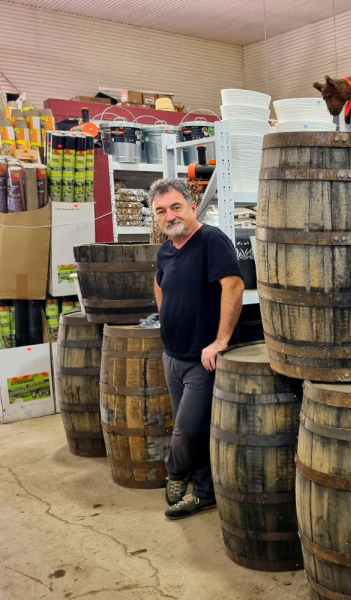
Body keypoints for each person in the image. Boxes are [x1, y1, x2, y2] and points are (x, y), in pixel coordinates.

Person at [149, 178, 244, 520]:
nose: (170, 216)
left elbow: (234, 286)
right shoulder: (165, 251)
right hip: (173, 355)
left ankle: (176, 472)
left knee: (187, 429)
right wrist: (168, 318)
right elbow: (160, 285)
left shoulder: (211, 240)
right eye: (161, 211)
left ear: (192, 206)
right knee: (195, 428)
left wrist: (220, 341)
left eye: (176, 207)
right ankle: (205, 492)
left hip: (203, 359)